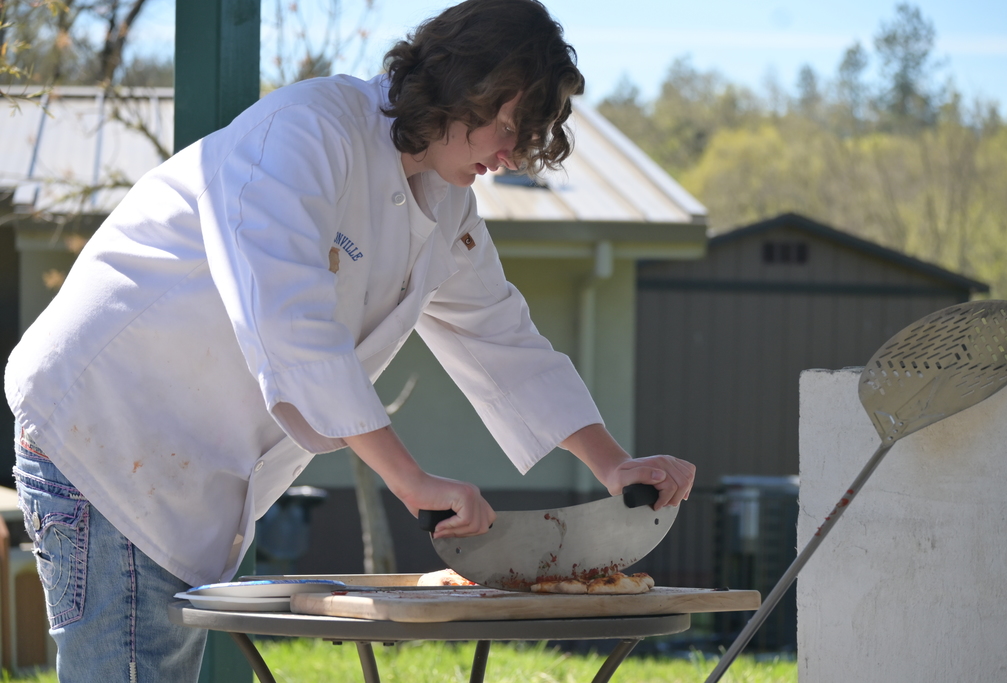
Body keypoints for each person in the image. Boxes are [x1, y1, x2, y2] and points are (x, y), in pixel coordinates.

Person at [4, 0, 696, 679]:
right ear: (465, 84)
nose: (511, 154)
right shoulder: (308, 130)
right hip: (104, 426)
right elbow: (290, 323)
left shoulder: (446, 201)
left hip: (175, 473)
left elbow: (503, 338)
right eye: (508, 125)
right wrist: (411, 479)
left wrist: (614, 466)